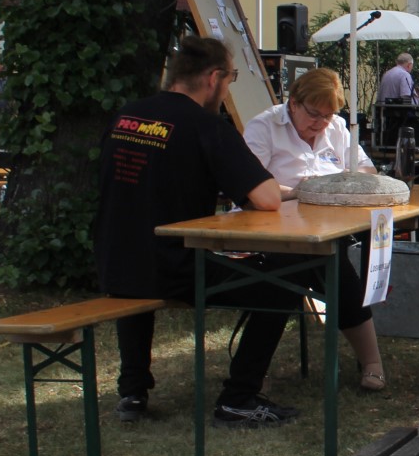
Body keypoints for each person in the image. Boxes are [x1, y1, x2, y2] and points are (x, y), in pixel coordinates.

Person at [95, 35, 301, 427]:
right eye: (231, 79)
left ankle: (133, 390)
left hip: (114, 261)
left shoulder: (126, 115)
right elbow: (268, 198)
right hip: (173, 267)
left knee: (139, 266)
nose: (227, 89)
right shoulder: (206, 127)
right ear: (213, 78)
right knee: (280, 288)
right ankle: (239, 397)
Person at [243, 68, 386, 391]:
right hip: (273, 231)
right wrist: (297, 191)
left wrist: (342, 181)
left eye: (328, 115)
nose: (320, 123)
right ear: (293, 103)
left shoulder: (336, 127)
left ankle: (372, 361)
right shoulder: (264, 127)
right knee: (319, 271)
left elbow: (365, 168)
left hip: (326, 228)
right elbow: (250, 186)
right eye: (313, 114)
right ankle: (252, 371)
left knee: (332, 267)